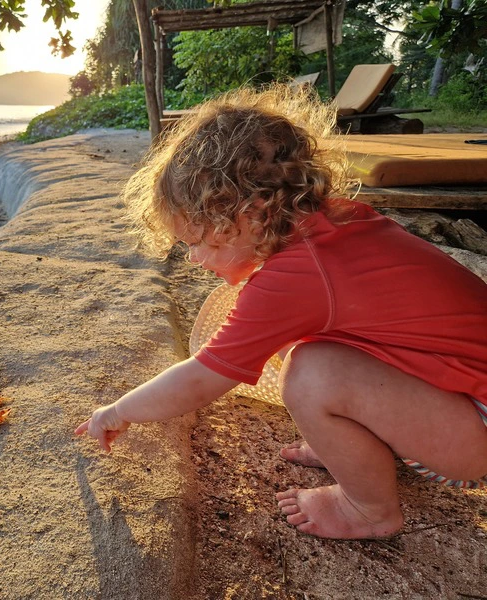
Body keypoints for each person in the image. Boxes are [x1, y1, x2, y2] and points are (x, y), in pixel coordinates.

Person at [74, 84, 487, 540]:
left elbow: (200, 378)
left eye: (194, 242)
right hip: (461, 400)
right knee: (308, 346)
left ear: (248, 214)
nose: (193, 258)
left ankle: (369, 510)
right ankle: (354, 442)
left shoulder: (298, 276)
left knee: (312, 373)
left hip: (474, 432)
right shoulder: (338, 224)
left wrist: (118, 410)